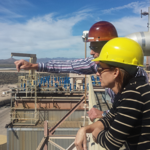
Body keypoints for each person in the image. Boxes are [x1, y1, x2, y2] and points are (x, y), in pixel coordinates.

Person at [14, 21, 148, 120]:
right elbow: (69, 65)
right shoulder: (96, 64)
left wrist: (103, 114)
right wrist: (34, 66)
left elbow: (132, 112)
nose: (90, 51)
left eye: (94, 46)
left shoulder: (134, 73)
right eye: (90, 46)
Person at [75, 37, 150, 150]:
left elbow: (111, 142)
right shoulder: (129, 90)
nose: (97, 73)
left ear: (115, 72)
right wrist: (84, 129)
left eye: (101, 69)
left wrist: (96, 133)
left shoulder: (133, 94)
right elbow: (110, 118)